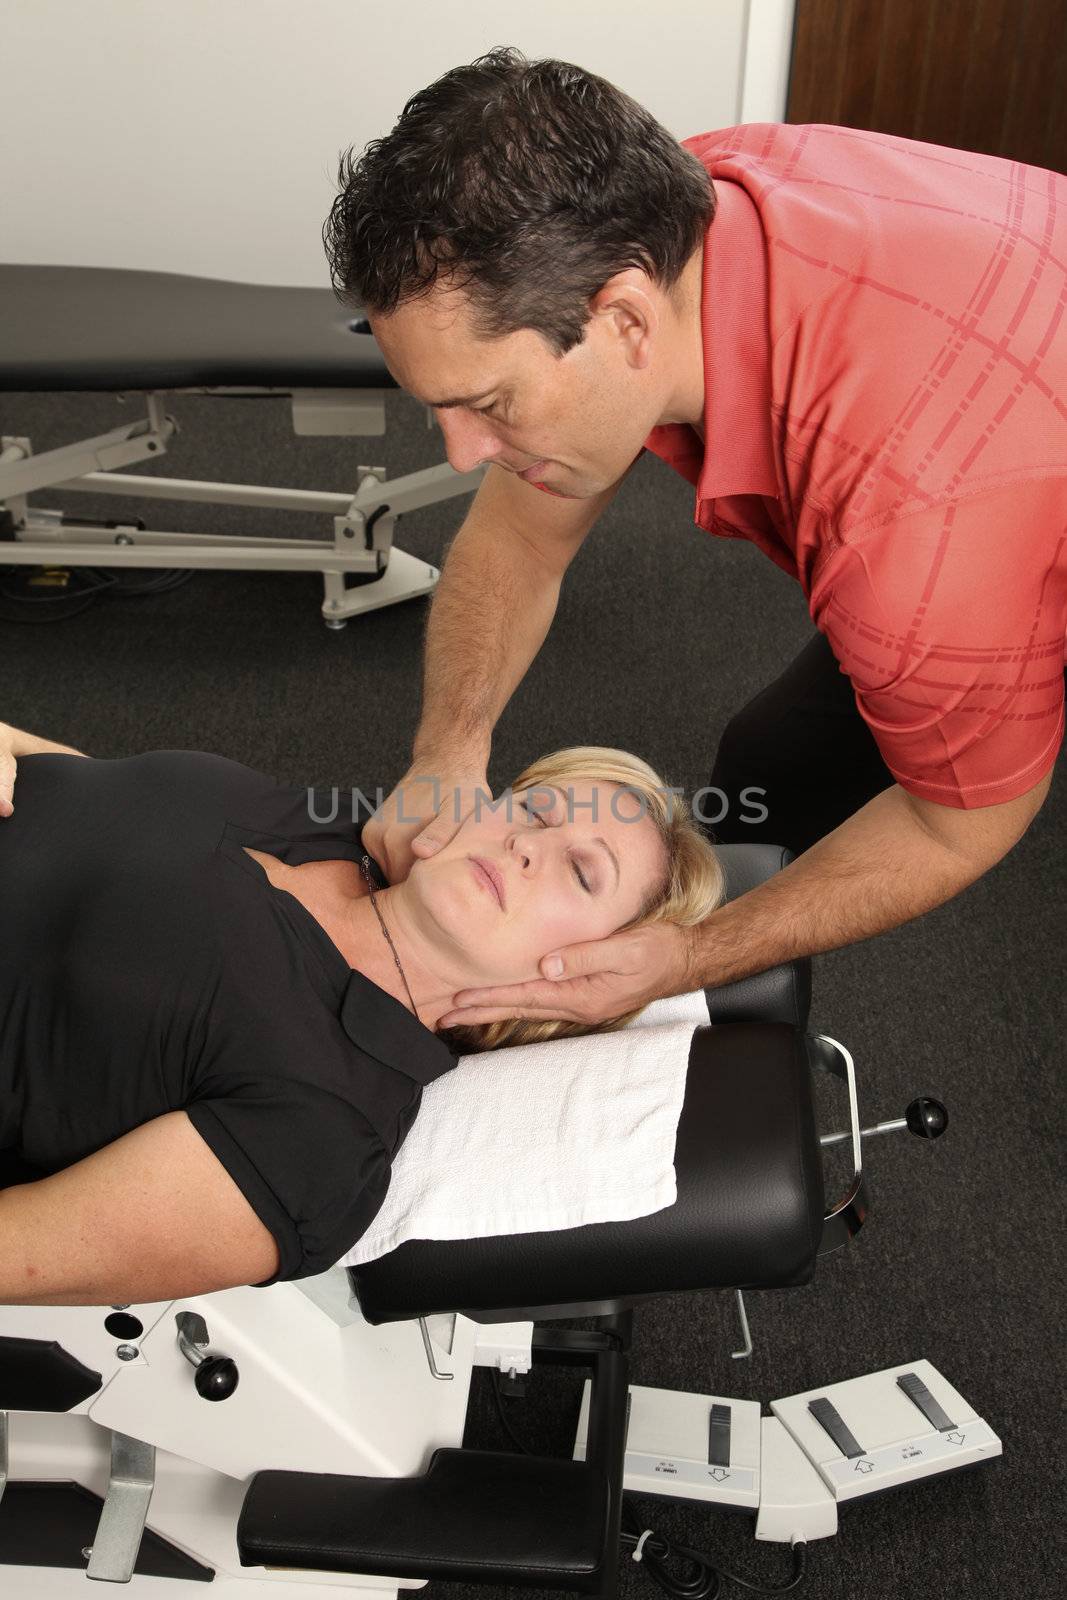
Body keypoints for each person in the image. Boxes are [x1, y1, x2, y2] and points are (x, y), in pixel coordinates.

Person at [320, 47, 1066, 1033]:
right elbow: (518, 542)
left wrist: (685, 957)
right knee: (770, 770)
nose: (463, 456)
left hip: (972, 497)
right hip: (993, 419)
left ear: (625, 322)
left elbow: (956, 826)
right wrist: (447, 753)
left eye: (489, 406)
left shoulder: (903, 545)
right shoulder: (667, 212)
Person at [0, 720, 721, 1303]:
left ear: (585, 977)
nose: (527, 845)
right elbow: (102, 796)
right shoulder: (334, 830)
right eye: (533, 809)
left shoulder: (320, 1125)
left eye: (582, 871)